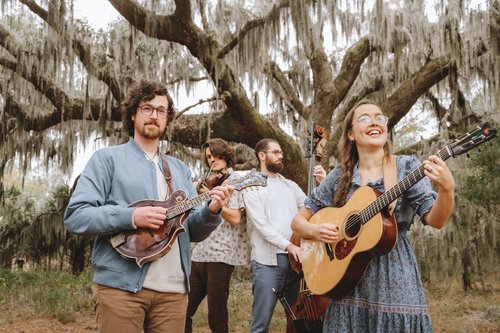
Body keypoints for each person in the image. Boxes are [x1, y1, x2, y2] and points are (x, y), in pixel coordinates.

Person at [64, 80, 233, 333]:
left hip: (174, 292)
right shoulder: (107, 159)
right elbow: (77, 216)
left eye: (161, 110)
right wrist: (131, 217)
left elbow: (189, 231)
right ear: (133, 114)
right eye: (147, 108)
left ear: (167, 119)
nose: (154, 115)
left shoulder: (179, 169)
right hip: (121, 289)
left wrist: (212, 211)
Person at [291, 99, 455, 332]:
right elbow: (298, 222)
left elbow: (436, 220)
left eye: (380, 118)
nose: (375, 122)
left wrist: (447, 190)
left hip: (394, 278)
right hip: (345, 283)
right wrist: (315, 230)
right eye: (365, 118)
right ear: (350, 134)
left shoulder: (406, 167)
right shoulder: (339, 176)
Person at [241, 138, 307, 333]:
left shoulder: (290, 186)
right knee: (261, 324)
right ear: (262, 155)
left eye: (281, 153)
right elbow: (261, 226)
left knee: (298, 321)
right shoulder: (251, 186)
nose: (281, 156)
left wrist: (322, 181)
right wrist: (289, 245)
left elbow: (311, 208)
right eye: (276, 152)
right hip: (267, 263)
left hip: (297, 262)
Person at [185, 138, 249, 333]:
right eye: (208, 157)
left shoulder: (236, 180)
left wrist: (213, 201)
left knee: (217, 316)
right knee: (182, 310)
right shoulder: (210, 181)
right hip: (199, 253)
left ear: (225, 154)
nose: (212, 160)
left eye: (215, 155)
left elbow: (236, 217)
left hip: (221, 255)